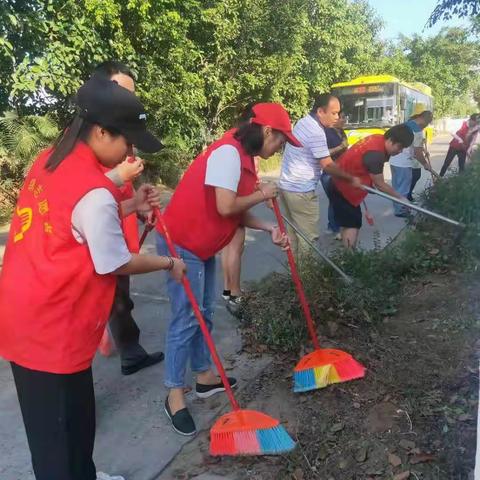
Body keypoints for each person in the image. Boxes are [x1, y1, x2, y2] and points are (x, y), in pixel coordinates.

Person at [0, 76, 186, 480]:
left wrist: (131, 201)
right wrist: (168, 264)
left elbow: (78, 216)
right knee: (58, 442)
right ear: (100, 131)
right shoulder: (95, 192)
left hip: (26, 309)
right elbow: (114, 261)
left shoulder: (49, 159)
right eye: (127, 141)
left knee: (73, 423)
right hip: (51, 324)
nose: (130, 152)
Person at [156, 103, 295, 436]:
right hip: (182, 244)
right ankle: (174, 394)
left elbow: (234, 214)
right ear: (266, 131)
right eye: (281, 141)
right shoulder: (228, 154)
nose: (281, 147)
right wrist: (262, 194)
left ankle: (204, 378)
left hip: (202, 244)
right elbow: (225, 205)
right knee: (186, 317)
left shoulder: (245, 160)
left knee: (203, 313)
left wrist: (268, 228)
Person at [92, 61, 165, 375]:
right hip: (100, 237)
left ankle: (112, 334)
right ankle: (117, 341)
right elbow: (82, 197)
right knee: (115, 296)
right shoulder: (89, 140)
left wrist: (140, 208)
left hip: (119, 229)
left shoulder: (123, 140)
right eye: (120, 90)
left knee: (118, 294)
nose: (128, 99)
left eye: (131, 94)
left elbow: (125, 194)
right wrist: (116, 176)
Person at [279, 93, 362, 257]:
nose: (337, 117)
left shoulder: (303, 122)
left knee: (294, 236)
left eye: (338, 113)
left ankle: (296, 277)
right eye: (333, 113)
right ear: (320, 112)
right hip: (301, 191)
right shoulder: (316, 131)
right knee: (309, 240)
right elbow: (327, 165)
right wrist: (352, 178)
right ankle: (309, 279)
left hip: (286, 187)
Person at [328, 125, 414, 249]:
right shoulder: (376, 153)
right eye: (399, 147)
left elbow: (372, 176)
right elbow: (379, 184)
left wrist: (370, 184)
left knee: (347, 223)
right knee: (352, 224)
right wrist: (401, 198)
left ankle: (347, 254)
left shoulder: (377, 138)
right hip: (343, 187)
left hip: (339, 183)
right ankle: (350, 258)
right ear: (390, 140)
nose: (399, 151)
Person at [389, 111, 435, 215]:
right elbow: (417, 153)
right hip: (404, 162)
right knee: (403, 188)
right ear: (426, 122)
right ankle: (401, 210)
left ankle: (397, 207)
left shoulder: (405, 125)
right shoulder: (417, 131)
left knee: (396, 186)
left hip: (394, 160)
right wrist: (425, 164)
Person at [320, 111, 348, 237]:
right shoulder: (327, 133)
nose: (344, 120)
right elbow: (324, 153)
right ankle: (335, 228)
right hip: (329, 172)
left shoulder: (341, 132)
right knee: (335, 199)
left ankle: (333, 225)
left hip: (341, 170)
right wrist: (340, 147)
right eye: (342, 117)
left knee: (337, 200)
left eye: (344, 117)